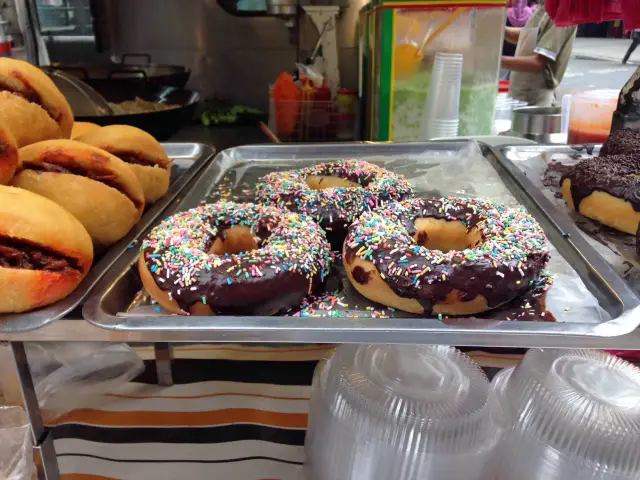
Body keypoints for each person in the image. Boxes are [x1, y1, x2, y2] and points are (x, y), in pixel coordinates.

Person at [501, 1, 577, 106]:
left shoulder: (562, 12)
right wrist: (499, 30)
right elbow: (527, 37)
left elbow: (538, 63)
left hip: (536, 101)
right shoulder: (543, 6)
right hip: (520, 94)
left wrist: (495, 61)